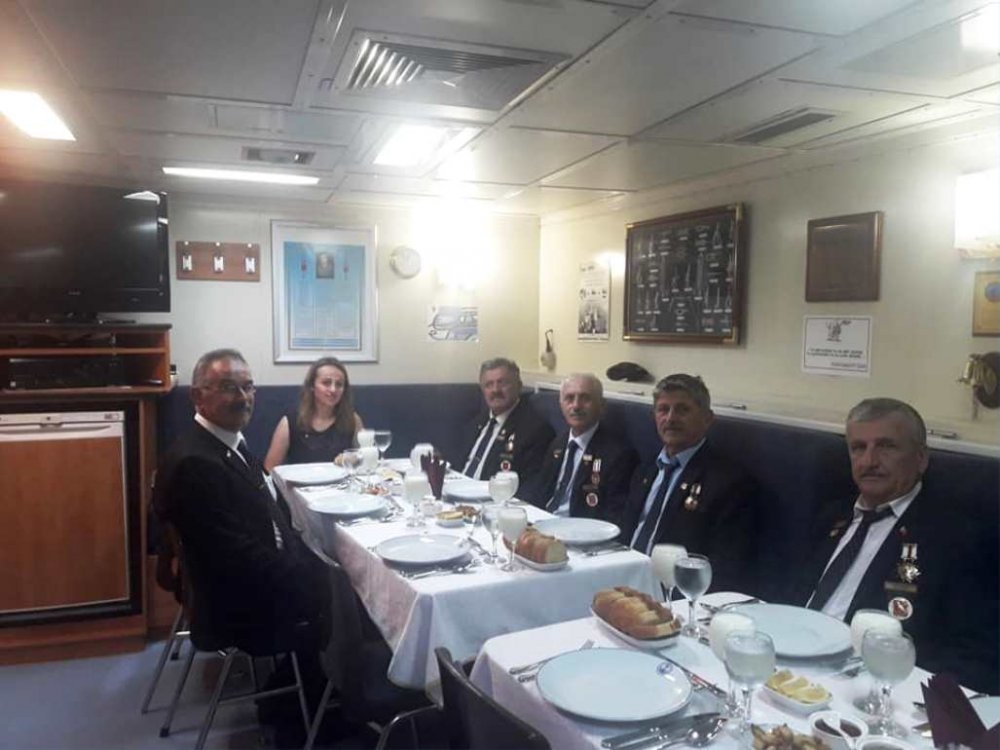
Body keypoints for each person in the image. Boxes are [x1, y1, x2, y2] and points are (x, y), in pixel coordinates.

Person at [789, 398, 998, 693]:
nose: (869, 461)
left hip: (873, 688)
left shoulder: (954, 538)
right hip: (791, 662)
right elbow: (791, 597)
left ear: (921, 458)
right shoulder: (831, 517)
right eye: (858, 448)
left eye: (886, 447)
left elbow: (975, 655)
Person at [153, 348, 329, 649]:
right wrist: (311, 574)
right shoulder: (194, 464)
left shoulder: (226, 443)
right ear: (197, 396)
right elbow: (236, 558)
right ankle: (328, 673)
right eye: (228, 387)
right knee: (350, 588)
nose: (243, 397)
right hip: (241, 607)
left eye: (248, 387)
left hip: (255, 578)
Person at [619, 373, 759, 592]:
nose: (671, 418)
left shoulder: (730, 483)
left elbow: (725, 568)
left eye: (682, 410)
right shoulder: (646, 468)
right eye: (663, 409)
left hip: (674, 593)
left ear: (707, 418)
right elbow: (626, 531)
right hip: (624, 576)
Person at [522, 373, 637, 526]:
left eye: (585, 398)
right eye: (569, 398)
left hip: (578, 531)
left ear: (602, 405)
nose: (576, 406)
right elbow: (540, 491)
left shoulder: (618, 455)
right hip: (542, 522)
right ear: (561, 405)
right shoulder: (558, 443)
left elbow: (611, 518)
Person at [456, 357, 554, 485]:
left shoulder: (535, 431)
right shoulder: (475, 424)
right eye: (489, 385)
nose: (495, 390)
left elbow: (529, 486)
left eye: (502, 383)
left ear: (519, 386)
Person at [263, 357, 363, 471]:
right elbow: (269, 470)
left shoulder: (352, 420)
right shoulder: (290, 421)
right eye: (326, 383)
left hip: (342, 482)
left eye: (339, 384)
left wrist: (355, 459)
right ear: (312, 386)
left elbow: (365, 460)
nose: (333, 389)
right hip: (300, 482)